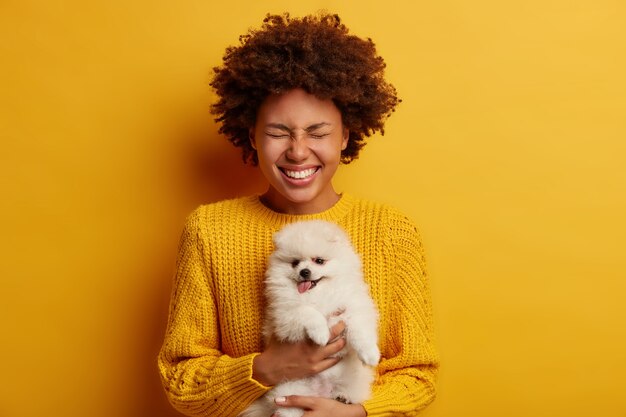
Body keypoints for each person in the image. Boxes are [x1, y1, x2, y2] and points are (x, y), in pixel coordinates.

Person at [158, 13, 438, 417]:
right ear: (251, 135)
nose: (298, 151)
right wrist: (267, 368)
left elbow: (418, 373)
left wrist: (357, 413)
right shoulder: (209, 231)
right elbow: (181, 381)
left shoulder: (391, 231)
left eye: (318, 132)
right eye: (277, 132)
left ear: (345, 135)